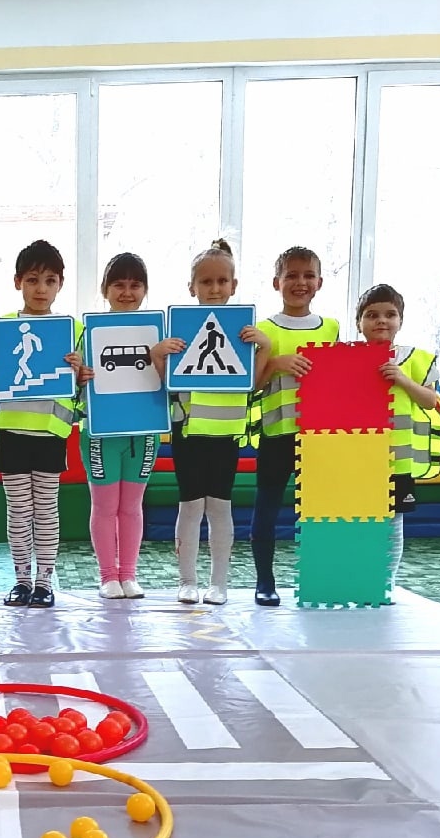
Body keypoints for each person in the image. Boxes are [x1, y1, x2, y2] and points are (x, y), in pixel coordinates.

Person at [71, 252, 184, 600]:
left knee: (132, 507)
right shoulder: (86, 333)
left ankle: (129, 574)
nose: (127, 292)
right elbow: (71, 387)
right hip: (100, 434)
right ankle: (108, 575)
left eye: (135, 285)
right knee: (105, 507)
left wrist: (161, 356)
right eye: (118, 284)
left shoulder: (160, 335)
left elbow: (175, 386)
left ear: (145, 290)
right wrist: (79, 376)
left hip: (143, 434)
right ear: (105, 289)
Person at [171, 240, 269, 605]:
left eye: (222, 281)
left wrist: (265, 348)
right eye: (206, 281)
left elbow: (253, 384)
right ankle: (187, 581)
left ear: (233, 285)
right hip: (188, 431)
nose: (214, 289)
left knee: (220, 507)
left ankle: (219, 584)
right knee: (190, 506)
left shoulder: (244, 334)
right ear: (192, 287)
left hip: (226, 432)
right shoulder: (180, 331)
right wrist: (163, 354)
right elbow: (167, 382)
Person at [250, 246, 340, 607]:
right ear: (277, 282)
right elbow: (252, 385)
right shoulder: (263, 330)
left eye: (308, 276)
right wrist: (275, 363)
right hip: (277, 433)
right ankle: (265, 581)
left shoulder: (331, 327)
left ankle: (320, 579)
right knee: (267, 508)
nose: (300, 283)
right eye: (291, 275)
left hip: (319, 436)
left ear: (319, 282)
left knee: (320, 511)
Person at [0, 239, 78, 608]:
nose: (41, 289)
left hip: (50, 433)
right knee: (18, 512)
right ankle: (21, 581)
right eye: (32, 280)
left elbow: (85, 383)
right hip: (12, 431)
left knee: (45, 510)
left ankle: (44, 582)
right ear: (18, 282)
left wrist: (81, 369)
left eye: (49, 281)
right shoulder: (2, 328)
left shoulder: (73, 330)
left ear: (60, 284)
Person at [356, 283, 440, 590]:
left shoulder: (417, 359)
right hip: (357, 457)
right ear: (359, 322)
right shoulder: (347, 358)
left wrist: (403, 380)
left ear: (401, 320)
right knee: (358, 521)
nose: (381, 320)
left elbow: (430, 401)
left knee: (392, 523)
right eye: (372, 315)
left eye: (390, 314)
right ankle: (360, 577)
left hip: (397, 459)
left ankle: (385, 582)